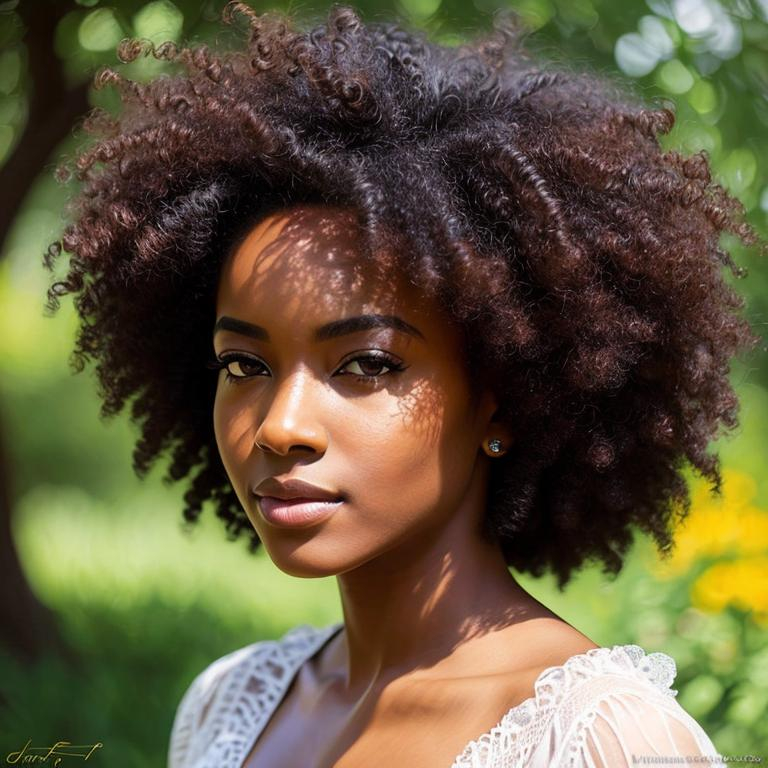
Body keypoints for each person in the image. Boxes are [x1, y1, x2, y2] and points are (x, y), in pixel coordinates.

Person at [43, 2, 763, 766]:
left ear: (503, 395)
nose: (280, 426)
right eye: (244, 366)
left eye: (366, 364)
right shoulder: (229, 704)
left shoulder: (600, 740)